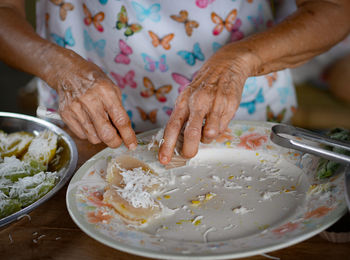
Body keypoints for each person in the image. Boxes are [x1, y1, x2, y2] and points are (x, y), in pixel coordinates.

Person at [0, 0, 349, 165]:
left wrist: (242, 62)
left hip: (240, 107)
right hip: (84, 114)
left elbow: (335, 9)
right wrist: (57, 68)